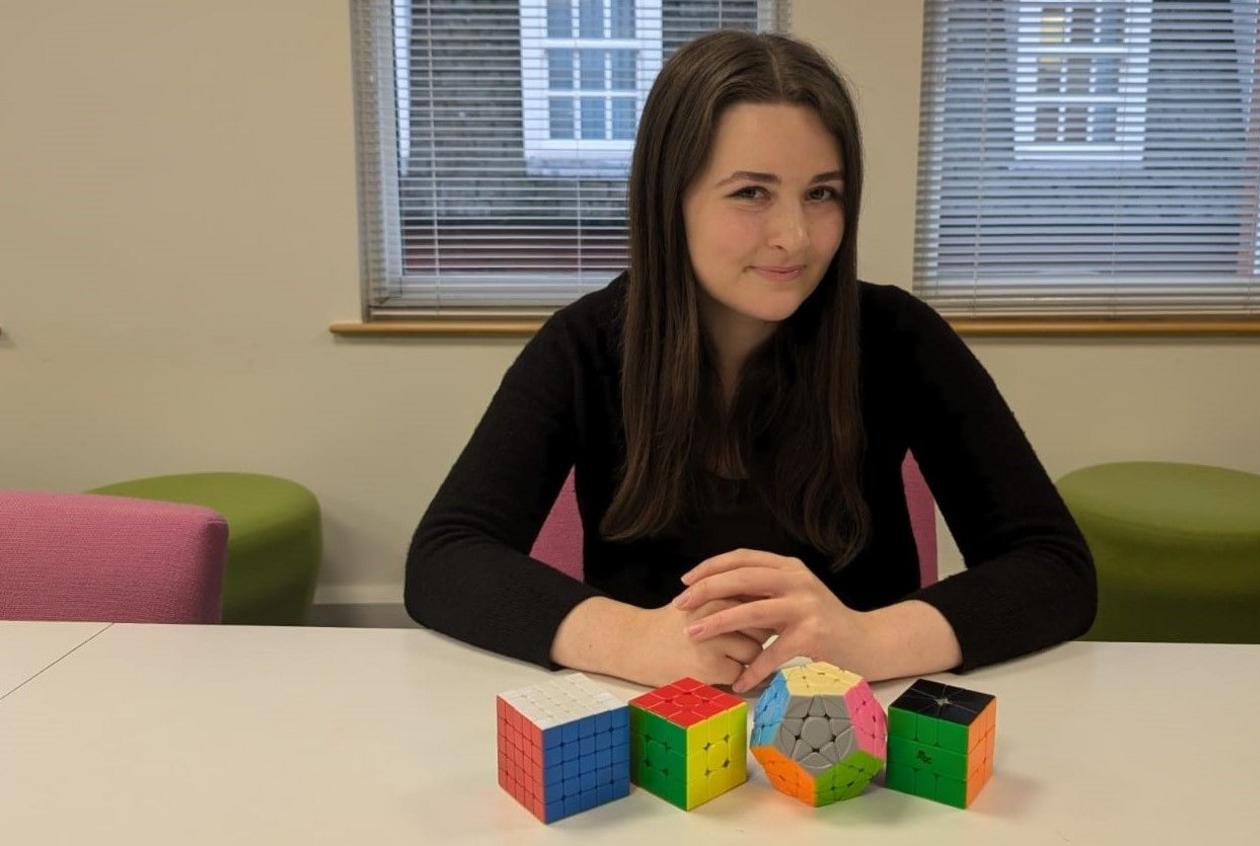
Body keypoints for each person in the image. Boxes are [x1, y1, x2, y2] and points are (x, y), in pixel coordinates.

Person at [405, 30, 1095, 693]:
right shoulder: (584, 346)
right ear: (669, 200)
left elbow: (1055, 569)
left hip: (861, 733)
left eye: (822, 193)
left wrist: (868, 641)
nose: (795, 237)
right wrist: (635, 641)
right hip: (657, 732)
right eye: (751, 193)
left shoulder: (898, 337)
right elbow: (446, 560)